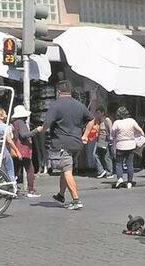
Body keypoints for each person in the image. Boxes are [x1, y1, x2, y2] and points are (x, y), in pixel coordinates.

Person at [38, 82, 95, 211]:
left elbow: (47, 123)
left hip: (63, 143)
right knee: (66, 168)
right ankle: (61, 195)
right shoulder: (79, 105)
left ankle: (76, 199)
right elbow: (91, 119)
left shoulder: (56, 105)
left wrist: (42, 130)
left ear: (58, 92)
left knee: (67, 171)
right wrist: (85, 135)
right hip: (76, 144)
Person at [110, 107, 145, 190]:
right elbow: (140, 130)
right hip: (131, 145)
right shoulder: (131, 121)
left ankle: (120, 178)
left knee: (118, 163)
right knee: (130, 164)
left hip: (120, 145)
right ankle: (129, 182)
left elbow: (112, 135)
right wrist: (139, 136)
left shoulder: (116, 123)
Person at [11, 106, 37, 198]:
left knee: (15, 170)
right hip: (23, 149)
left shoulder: (13, 123)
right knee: (30, 169)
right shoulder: (21, 123)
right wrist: (35, 131)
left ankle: (12, 189)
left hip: (15, 149)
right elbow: (24, 135)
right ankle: (31, 190)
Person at [0, 108, 17, 183]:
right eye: (5, 114)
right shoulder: (4, 127)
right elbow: (9, 140)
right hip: (4, 149)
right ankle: (12, 185)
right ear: (0, 116)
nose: (6, 115)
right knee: (10, 169)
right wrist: (16, 150)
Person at [93, 108, 114, 180]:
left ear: (102, 113)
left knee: (106, 156)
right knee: (96, 155)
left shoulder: (107, 120)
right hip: (99, 139)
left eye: (98, 113)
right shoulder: (98, 121)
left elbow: (111, 130)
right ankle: (102, 171)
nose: (97, 115)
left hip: (105, 140)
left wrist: (111, 140)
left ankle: (109, 172)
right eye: (96, 113)